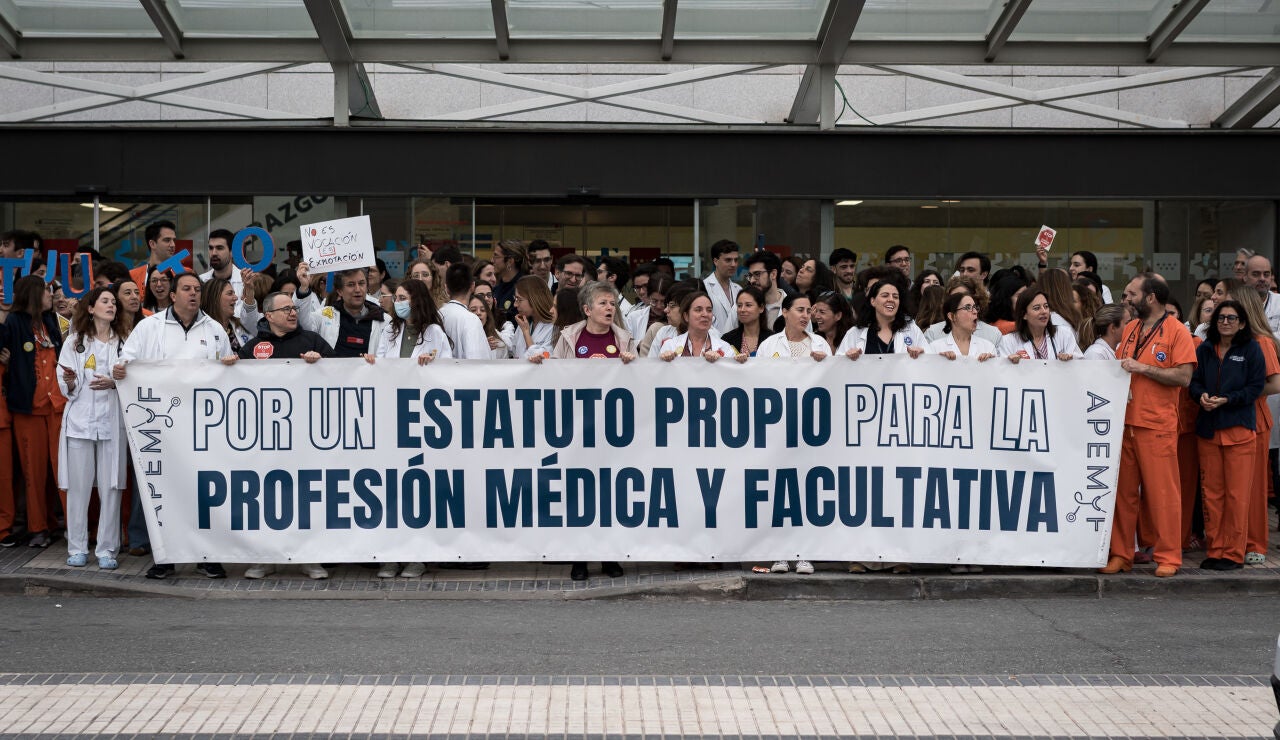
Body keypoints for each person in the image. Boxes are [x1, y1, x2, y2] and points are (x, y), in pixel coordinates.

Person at [112, 271, 237, 580]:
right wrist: (121, 370)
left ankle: (206, 557)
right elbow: (127, 362)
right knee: (166, 493)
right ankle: (165, 558)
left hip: (202, 427)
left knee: (203, 492)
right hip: (162, 426)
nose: (193, 294)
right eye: (186, 289)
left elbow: (228, 372)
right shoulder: (149, 327)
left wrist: (230, 365)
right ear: (172, 295)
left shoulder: (215, 329)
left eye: (197, 289)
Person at [1101, 274, 1197, 578]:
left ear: (1151, 297)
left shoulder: (1177, 331)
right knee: (1123, 494)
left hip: (1156, 425)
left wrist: (1144, 368)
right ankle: (1121, 554)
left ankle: (1169, 556)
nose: (1126, 299)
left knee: (1162, 494)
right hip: (1126, 422)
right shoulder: (1131, 328)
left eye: (1132, 294)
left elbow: (1183, 377)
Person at [542, 281, 636, 578]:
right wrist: (537, 365)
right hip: (578, 430)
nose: (610, 308)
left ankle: (609, 556)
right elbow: (555, 376)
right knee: (579, 494)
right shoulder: (570, 338)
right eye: (603, 303)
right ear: (587, 309)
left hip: (612, 431)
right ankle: (579, 558)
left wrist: (632, 365)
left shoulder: (624, 340)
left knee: (610, 494)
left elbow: (640, 384)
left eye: (612, 303)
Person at [238, 291, 332, 581]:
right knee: (267, 498)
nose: (293, 313)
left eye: (294, 308)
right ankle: (265, 559)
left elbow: (343, 373)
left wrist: (322, 363)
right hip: (267, 439)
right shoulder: (254, 347)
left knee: (307, 498)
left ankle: (310, 558)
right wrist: (229, 366)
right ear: (269, 316)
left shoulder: (312, 341)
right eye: (286, 309)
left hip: (306, 437)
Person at [751, 293, 828, 576]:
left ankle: (804, 554)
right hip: (777, 427)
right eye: (800, 310)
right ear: (784, 312)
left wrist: (825, 365)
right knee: (778, 489)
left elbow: (833, 382)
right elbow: (756, 382)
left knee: (806, 490)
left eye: (809, 311)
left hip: (810, 429)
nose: (806, 315)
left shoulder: (820, 345)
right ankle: (780, 554)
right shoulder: (769, 345)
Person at [55, 287, 130, 570]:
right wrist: (70, 381)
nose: (111, 305)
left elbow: (134, 377)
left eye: (113, 302)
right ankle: (77, 547)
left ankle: (107, 549)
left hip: (112, 423)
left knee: (111, 487)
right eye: (105, 301)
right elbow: (66, 382)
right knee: (78, 488)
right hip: (80, 423)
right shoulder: (75, 342)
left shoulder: (124, 343)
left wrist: (115, 383)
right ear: (90, 308)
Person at [1189, 300, 1265, 571]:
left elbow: (1256, 387)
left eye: (1231, 318)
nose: (1225, 322)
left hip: (1238, 430)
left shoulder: (1252, 349)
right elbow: (1193, 382)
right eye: (1221, 317)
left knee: (1237, 496)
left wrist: (1228, 399)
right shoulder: (1205, 349)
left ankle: (1232, 554)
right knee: (1211, 495)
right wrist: (1201, 396)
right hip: (1209, 431)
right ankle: (1216, 550)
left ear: (1242, 323)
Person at [1, 276, 66, 549]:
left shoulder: (51, 322)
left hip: (58, 407)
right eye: (46, 291)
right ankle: (37, 528)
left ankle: (68, 525)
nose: (51, 295)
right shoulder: (14, 322)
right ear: (32, 294)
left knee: (62, 471)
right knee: (34, 472)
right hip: (28, 409)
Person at [1225, 284, 1280, 566]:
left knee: (1254, 487)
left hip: (1255, 421)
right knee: (1234, 487)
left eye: (1231, 306)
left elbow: (1275, 383)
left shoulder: (1261, 342)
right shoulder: (1232, 341)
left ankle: (1255, 542)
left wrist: (1240, 393)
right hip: (1233, 420)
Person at [295, 263, 387, 358]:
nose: (357, 289)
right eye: (351, 285)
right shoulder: (325, 315)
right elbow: (304, 325)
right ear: (339, 291)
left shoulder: (385, 320)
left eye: (361, 283)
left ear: (367, 287)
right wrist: (304, 288)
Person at [837, 279, 929, 359]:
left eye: (895, 297)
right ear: (872, 301)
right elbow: (837, 365)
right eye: (885, 295)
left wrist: (922, 354)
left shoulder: (912, 330)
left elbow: (930, 361)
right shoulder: (855, 333)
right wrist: (847, 357)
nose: (891, 299)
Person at [373, 279, 452, 365]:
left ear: (417, 301)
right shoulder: (390, 330)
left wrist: (432, 361)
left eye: (402, 298)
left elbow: (446, 366)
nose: (396, 302)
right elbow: (379, 365)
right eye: (395, 298)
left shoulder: (435, 332)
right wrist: (370, 361)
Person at [997, 288, 1083, 361]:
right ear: (1024, 315)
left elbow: (1081, 364)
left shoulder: (1064, 334)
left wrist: (1071, 359)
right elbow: (1002, 371)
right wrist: (1009, 363)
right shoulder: (1008, 341)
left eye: (1046, 306)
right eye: (1037, 308)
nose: (1044, 311)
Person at [657, 292, 742, 363]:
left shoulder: (725, 348)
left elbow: (732, 375)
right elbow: (659, 375)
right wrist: (665, 362)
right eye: (698, 310)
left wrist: (721, 363)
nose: (705, 314)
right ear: (686, 316)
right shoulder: (670, 346)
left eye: (709, 310)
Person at [438, 263, 491, 360]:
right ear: (472, 286)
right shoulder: (471, 320)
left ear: (446, 288)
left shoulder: (437, 315)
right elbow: (477, 361)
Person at [200, 275, 259, 355]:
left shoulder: (240, 324)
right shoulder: (201, 330)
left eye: (234, 293)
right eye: (230, 293)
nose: (236, 298)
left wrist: (249, 292)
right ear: (214, 298)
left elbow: (251, 317)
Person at [931, 291, 996, 363]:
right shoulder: (935, 348)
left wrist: (990, 364)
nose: (975, 312)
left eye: (975, 307)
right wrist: (940, 362)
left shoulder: (988, 347)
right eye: (968, 307)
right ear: (952, 316)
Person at [702, 240, 742, 334]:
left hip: (735, 341)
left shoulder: (739, 289)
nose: (733, 264)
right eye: (728, 260)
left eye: (736, 260)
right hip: (712, 341)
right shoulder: (704, 288)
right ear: (715, 261)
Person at [511, 275, 555, 360]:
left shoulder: (554, 327)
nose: (515, 304)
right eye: (515, 299)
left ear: (534, 299)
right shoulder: (524, 324)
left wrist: (526, 333)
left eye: (519, 299)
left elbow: (545, 357)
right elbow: (513, 352)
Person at [721, 286, 772, 357]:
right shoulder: (727, 339)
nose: (742, 309)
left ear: (761, 308)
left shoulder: (772, 339)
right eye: (739, 305)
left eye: (748, 305)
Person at [128, 220, 177, 291]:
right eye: (167, 240)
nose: (173, 245)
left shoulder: (184, 273)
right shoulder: (132, 276)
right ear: (152, 244)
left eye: (174, 240)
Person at [743, 251, 785, 326]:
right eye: (750, 275)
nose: (752, 280)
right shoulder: (742, 306)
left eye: (757, 274)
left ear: (773, 274)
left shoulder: (792, 306)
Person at [491, 239, 528, 323]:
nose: (492, 260)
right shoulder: (496, 289)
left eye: (496, 256)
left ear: (510, 261)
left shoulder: (524, 289)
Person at [1243, 255, 1280, 332]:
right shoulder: (1236, 302)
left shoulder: (1278, 302)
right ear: (1245, 276)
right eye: (1256, 274)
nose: (1262, 279)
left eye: (1266, 274)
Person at [469, 292, 511, 358]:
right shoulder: (459, 336)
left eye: (482, 310)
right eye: (473, 310)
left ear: (487, 316)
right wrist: (482, 347)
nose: (478, 313)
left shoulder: (497, 342)